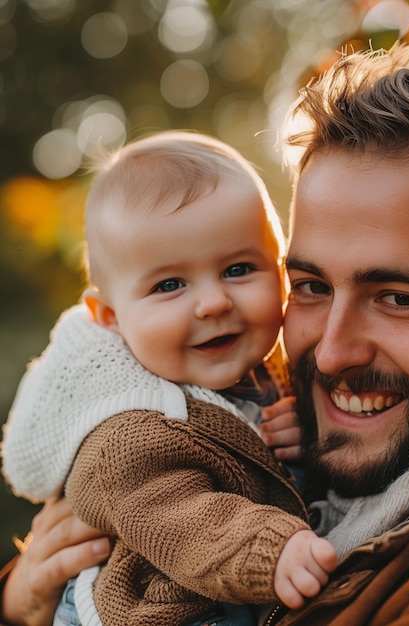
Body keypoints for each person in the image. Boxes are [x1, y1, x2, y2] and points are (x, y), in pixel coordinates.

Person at [3, 42, 409, 625]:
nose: (330, 353)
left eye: (399, 298)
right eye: (310, 286)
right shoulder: (267, 440)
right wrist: (22, 599)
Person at [1, 131, 337, 626]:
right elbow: (174, 515)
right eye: (170, 284)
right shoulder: (124, 432)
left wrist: (311, 432)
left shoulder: (275, 369)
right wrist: (274, 549)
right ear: (111, 316)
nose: (213, 302)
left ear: (280, 268)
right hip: (149, 607)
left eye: (239, 268)